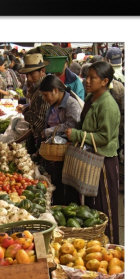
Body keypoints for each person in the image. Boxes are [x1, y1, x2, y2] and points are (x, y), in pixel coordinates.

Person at [66, 61, 121, 244]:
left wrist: (77, 134)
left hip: (104, 162)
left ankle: (111, 245)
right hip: (91, 159)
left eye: (92, 78)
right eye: (86, 77)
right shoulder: (91, 99)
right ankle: (93, 244)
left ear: (105, 81)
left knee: (106, 209)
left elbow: (104, 137)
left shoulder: (108, 105)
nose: (86, 81)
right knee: (91, 208)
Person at [39, 74, 82, 205]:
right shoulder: (53, 104)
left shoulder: (71, 104)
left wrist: (49, 131)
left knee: (67, 189)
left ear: (56, 90)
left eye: (46, 95)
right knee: (56, 185)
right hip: (54, 153)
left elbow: (72, 125)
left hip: (67, 153)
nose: (45, 99)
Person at [17, 53, 49, 156]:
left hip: (45, 140)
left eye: (32, 74)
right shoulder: (36, 88)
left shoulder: (45, 91)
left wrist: (25, 111)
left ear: (42, 71)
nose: (29, 78)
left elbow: (39, 123)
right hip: (38, 136)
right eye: (27, 75)